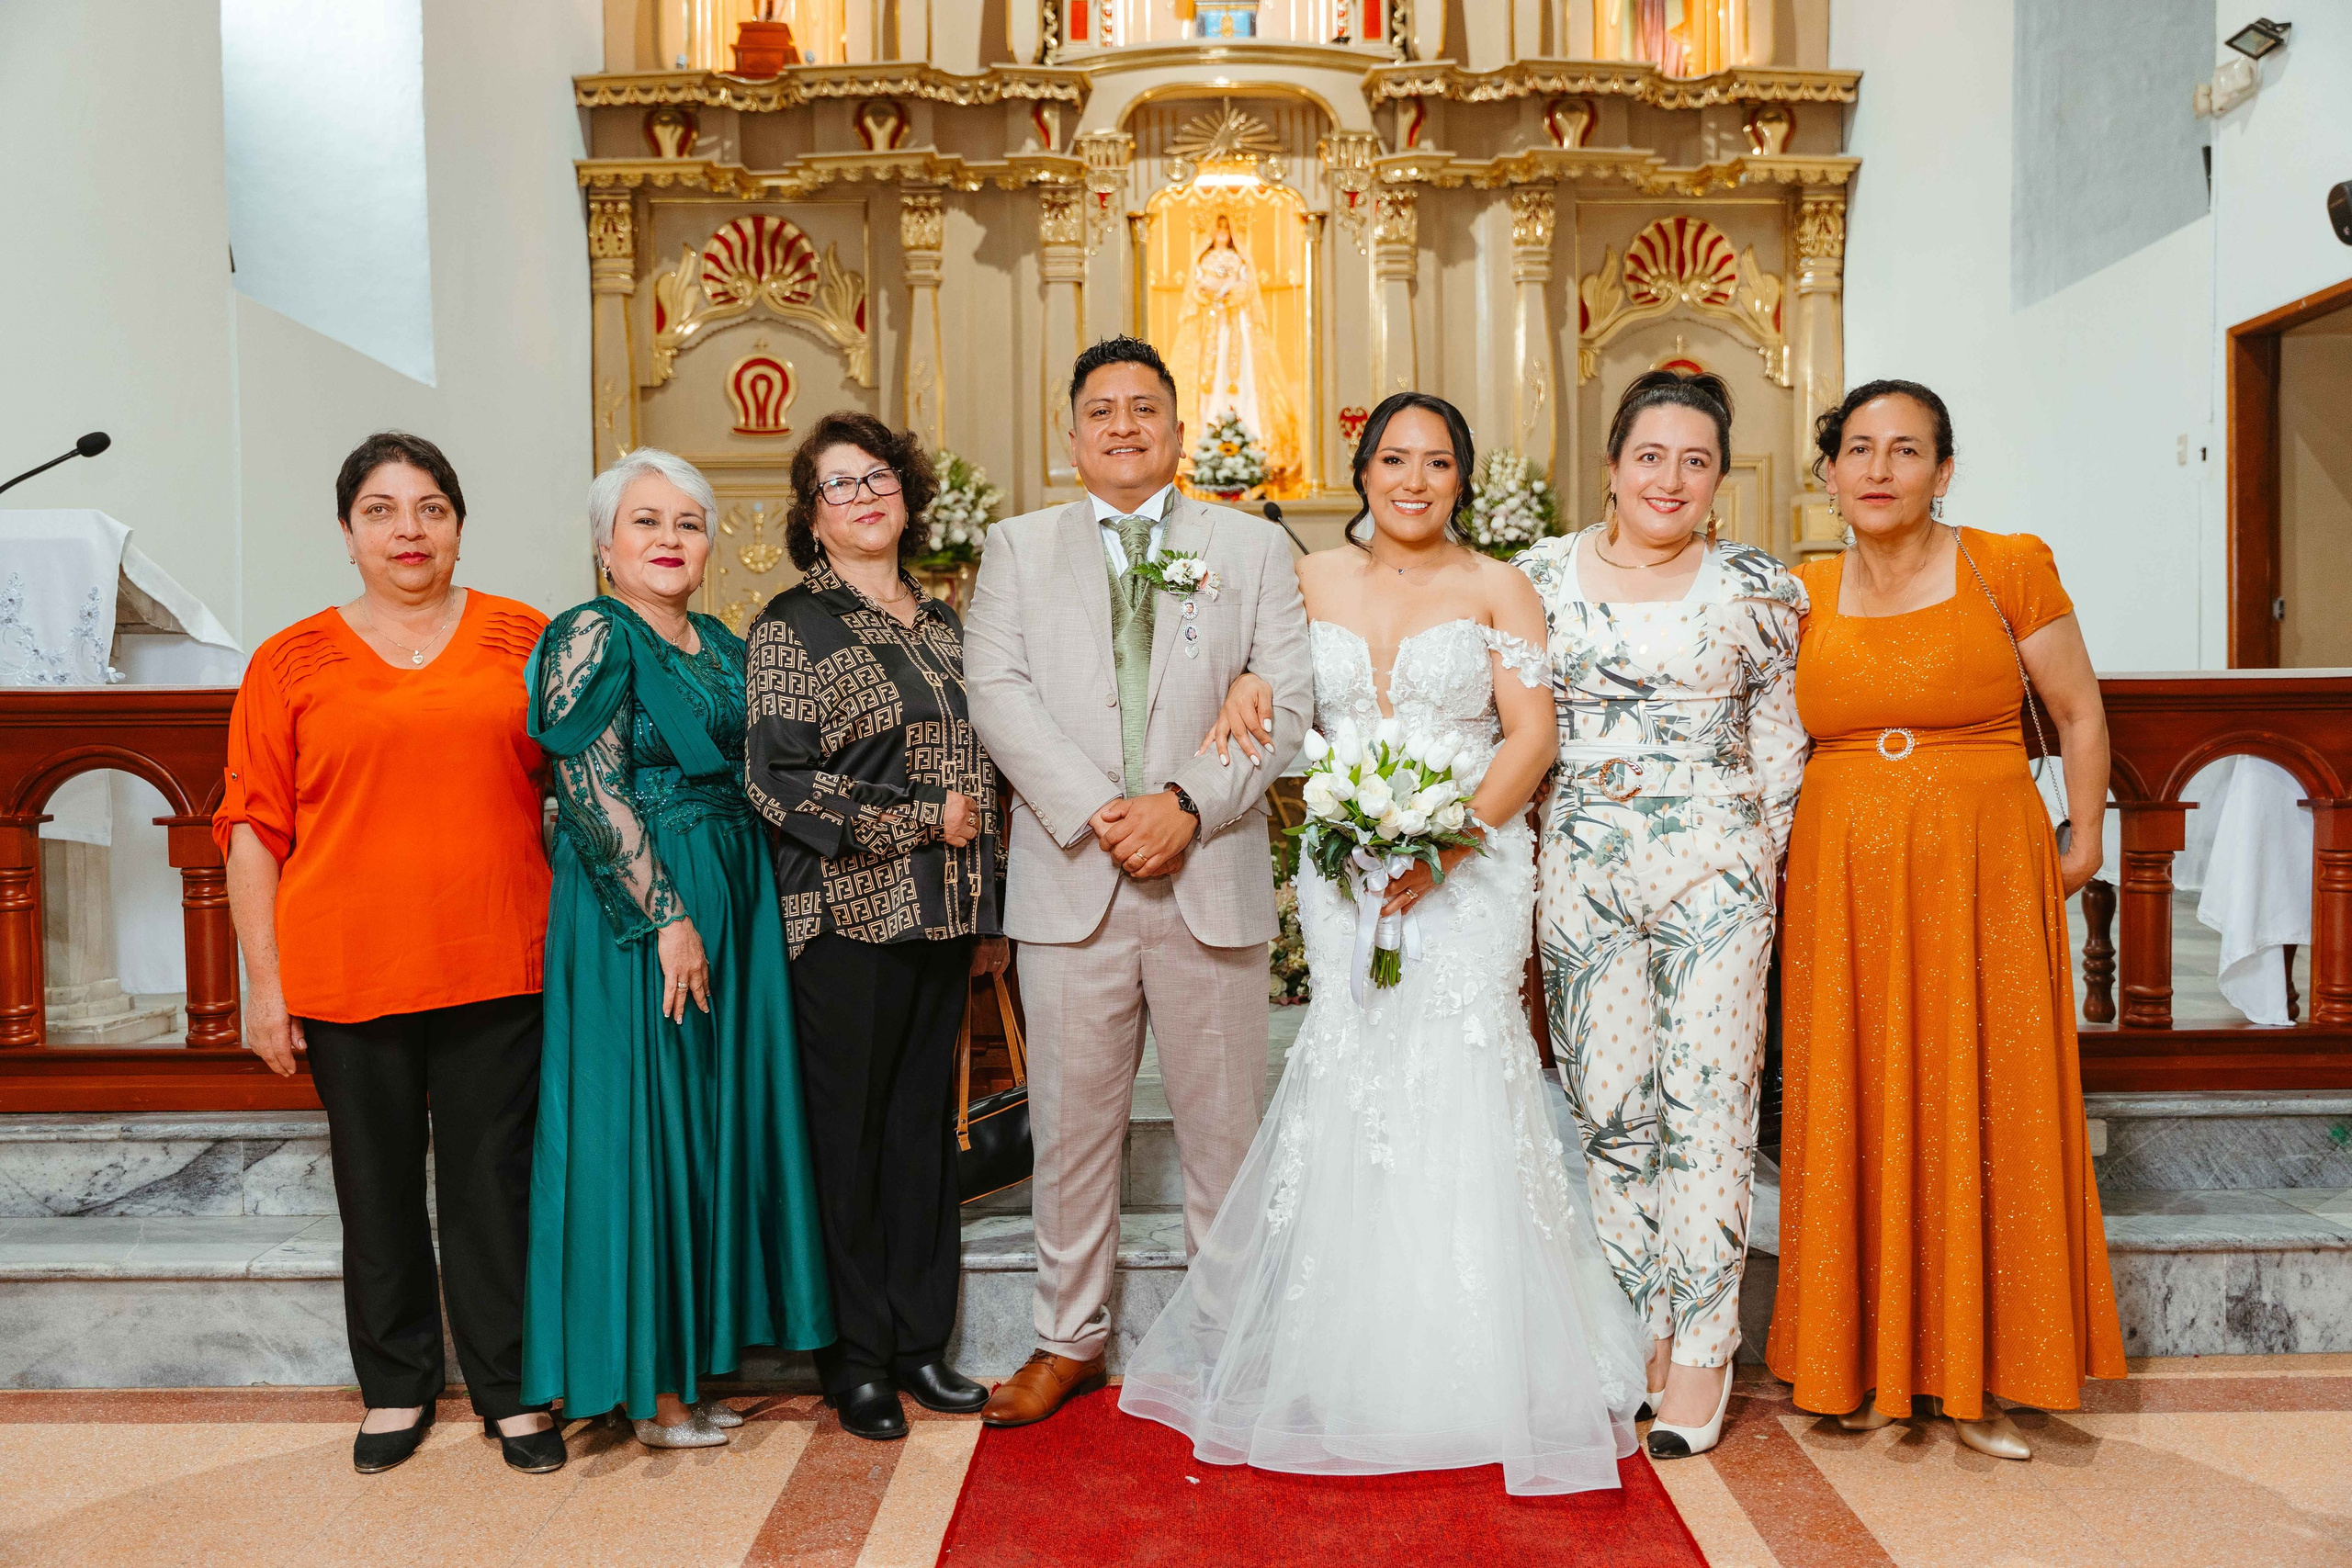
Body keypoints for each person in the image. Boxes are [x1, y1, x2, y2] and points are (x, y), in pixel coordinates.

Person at [1121, 391, 1645, 1495]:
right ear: (1360, 471)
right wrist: (1269, 700)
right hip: (1344, 857)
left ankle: (1475, 1360)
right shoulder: (1301, 577)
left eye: (1439, 462)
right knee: (1352, 1068)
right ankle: (1344, 1353)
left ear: (1463, 477)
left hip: (1470, 865)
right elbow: (1255, 685)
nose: (1415, 480)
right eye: (1394, 459)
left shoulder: (1501, 586)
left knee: (1461, 1068)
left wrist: (1448, 848)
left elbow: (1531, 733)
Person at [1765, 379, 2125, 1460]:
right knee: (1854, 1098)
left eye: (1905, 450)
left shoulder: (2005, 562)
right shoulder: (1797, 591)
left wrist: (2089, 835)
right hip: (1842, 879)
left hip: (1982, 865)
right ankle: (1858, 1365)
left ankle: (1998, 1371)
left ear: (1943, 469)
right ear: (1827, 472)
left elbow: (2076, 709)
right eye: (1858, 449)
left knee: (1993, 1094)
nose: (1878, 469)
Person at [962, 335, 1313, 1428]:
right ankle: (1066, 1340)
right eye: (1102, 410)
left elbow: (1288, 702)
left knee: (1222, 1134)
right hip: (1074, 877)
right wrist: (1099, 812)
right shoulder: (1016, 549)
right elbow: (998, 692)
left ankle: (1229, 1343)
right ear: (1072, 435)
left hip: (1206, 869)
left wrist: (1189, 803)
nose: (1123, 425)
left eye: (1144, 408)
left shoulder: (1248, 547)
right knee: (1070, 1132)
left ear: (1174, 428)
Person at [216, 432, 565, 1475]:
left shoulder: (526, 638)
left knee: (491, 1188)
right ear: (346, 532)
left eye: (429, 508)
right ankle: (396, 1387)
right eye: (381, 510)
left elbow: (582, 790)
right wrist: (265, 987)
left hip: (500, 959)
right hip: (348, 967)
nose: (407, 530)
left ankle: (509, 1391)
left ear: (459, 524)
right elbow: (249, 831)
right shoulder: (289, 660)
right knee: (373, 1189)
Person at [1513, 370, 1806, 1460]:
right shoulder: (1535, 575)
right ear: (1610, 464)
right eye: (1650, 456)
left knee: (1709, 1107)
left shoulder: (1758, 588)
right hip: (1579, 866)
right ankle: (1638, 1321)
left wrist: (1738, 862)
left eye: (1694, 459)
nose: (1669, 478)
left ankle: (1702, 1345)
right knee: (1610, 1109)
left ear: (1719, 475)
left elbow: (1781, 744)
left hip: (1713, 871)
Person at [521, 447, 834, 1450]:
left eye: (687, 523)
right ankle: (649, 1390)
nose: (669, 540)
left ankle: (690, 1367)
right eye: (646, 522)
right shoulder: (588, 632)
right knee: (643, 1128)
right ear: (606, 547)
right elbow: (585, 785)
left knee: (705, 1128)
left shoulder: (721, 644)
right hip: (638, 907)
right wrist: (666, 918)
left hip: (731, 887)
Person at [744, 412, 1002, 1442]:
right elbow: (774, 781)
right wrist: (913, 821)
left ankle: (917, 1347)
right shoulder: (789, 624)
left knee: (916, 1140)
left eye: (877, 476)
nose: (863, 496)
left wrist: (990, 904)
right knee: (845, 1145)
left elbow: (983, 770)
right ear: (812, 516)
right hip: (845, 920)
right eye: (838, 485)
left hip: (943, 921)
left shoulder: (942, 623)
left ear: (907, 491)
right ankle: (852, 1362)